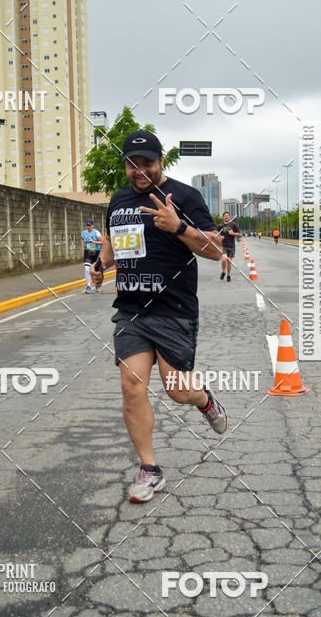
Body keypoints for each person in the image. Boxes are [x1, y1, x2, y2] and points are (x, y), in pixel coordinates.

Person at [90, 130, 227, 504]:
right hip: (131, 310)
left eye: (147, 162)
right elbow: (116, 241)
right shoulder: (118, 199)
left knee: (178, 390)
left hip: (174, 309)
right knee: (131, 385)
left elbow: (216, 249)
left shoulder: (185, 197)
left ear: (160, 161)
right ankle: (150, 470)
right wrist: (103, 262)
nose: (140, 170)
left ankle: (205, 401)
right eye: (133, 164)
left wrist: (179, 227)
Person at [215, 212, 241, 283]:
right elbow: (215, 235)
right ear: (223, 217)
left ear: (229, 217)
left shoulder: (233, 225)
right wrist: (220, 237)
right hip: (223, 246)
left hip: (231, 246)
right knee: (224, 259)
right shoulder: (220, 226)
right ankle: (223, 272)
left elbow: (239, 233)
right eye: (225, 216)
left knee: (229, 263)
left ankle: (228, 275)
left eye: (228, 216)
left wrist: (233, 234)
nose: (226, 217)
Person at [81, 220, 103, 293]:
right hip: (88, 252)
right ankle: (88, 286)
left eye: (90, 225)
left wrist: (94, 241)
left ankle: (97, 285)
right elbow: (82, 238)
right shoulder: (84, 232)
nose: (88, 227)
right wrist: (83, 243)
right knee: (87, 269)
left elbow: (102, 242)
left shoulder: (96, 232)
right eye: (87, 225)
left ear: (93, 226)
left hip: (96, 253)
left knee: (95, 270)